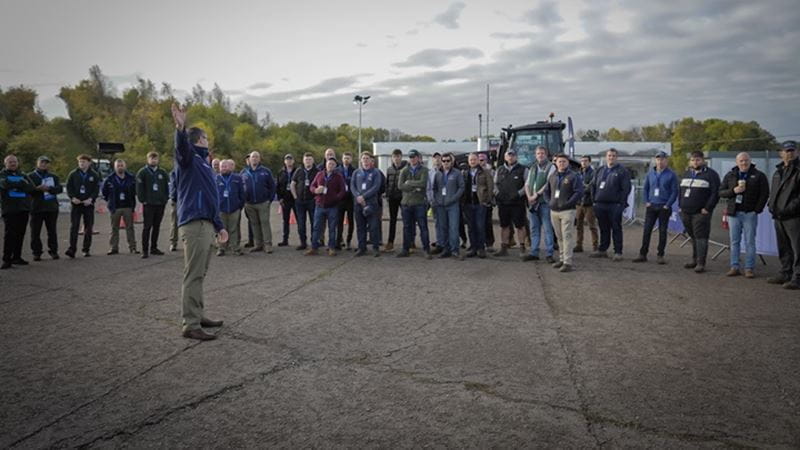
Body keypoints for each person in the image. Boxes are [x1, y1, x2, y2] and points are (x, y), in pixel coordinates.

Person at [171, 103, 228, 341]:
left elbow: (211, 198)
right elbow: (181, 149)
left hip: (207, 223)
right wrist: (180, 128)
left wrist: (219, 225)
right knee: (193, 274)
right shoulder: (189, 159)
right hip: (194, 223)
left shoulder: (204, 163)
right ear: (197, 140)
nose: (208, 140)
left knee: (200, 273)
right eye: (205, 137)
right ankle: (191, 324)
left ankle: (198, 314)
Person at [718, 152, 769, 278]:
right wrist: (733, 191)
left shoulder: (759, 175)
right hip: (733, 213)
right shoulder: (730, 175)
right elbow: (721, 192)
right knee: (734, 241)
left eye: (746, 160)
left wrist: (757, 210)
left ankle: (749, 268)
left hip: (749, 213)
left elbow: (764, 194)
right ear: (737, 162)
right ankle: (734, 267)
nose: (744, 163)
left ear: (750, 161)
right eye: (741, 161)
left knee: (750, 242)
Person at [678, 151, 721, 273]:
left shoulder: (711, 175)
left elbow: (715, 193)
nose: (695, 162)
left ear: (703, 160)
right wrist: (680, 205)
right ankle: (694, 260)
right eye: (692, 160)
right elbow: (680, 191)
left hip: (701, 212)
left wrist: (707, 208)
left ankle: (701, 263)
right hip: (685, 211)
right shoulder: (686, 173)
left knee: (701, 237)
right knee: (693, 236)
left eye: (697, 160)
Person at [633, 151, 679, 264]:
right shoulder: (650, 174)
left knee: (662, 231)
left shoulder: (671, 175)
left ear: (666, 160)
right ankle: (643, 254)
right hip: (652, 205)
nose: (660, 161)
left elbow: (674, 191)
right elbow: (645, 189)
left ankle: (660, 255)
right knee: (647, 230)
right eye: (658, 159)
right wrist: (646, 201)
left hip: (664, 206)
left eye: (662, 159)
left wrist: (667, 205)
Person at [767, 140, 800, 290]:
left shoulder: (798, 170)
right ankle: (785, 273)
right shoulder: (778, 171)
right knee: (784, 247)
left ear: (797, 152)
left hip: (794, 216)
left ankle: (797, 278)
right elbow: (775, 192)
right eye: (787, 151)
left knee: (797, 248)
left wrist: (788, 209)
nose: (790, 153)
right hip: (779, 216)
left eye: (792, 150)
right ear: (781, 153)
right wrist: (771, 205)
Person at [542, 153, 583, 272]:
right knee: (559, 236)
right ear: (556, 163)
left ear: (568, 163)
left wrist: (569, 203)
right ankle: (561, 259)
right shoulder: (552, 176)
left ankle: (567, 262)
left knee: (567, 236)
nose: (561, 163)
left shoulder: (573, 176)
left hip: (567, 211)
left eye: (564, 161)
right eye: (559, 161)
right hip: (554, 211)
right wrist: (549, 202)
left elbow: (579, 192)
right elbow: (546, 191)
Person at [590, 148, 632, 261]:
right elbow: (593, 186)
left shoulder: (622, 171)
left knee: (616, 228)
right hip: (600, 204)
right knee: (603, 228)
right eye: (609, 155)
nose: (611, 157)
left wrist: (621, 204)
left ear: (616, 157)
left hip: (615, 205)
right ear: (606, 157)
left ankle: (618, 252)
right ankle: (602, 250)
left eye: (613, 156)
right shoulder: (600, 170)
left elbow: (626, 189)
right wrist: (594, 201)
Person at [396, 149, 432, 258]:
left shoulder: (424, 170)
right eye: (410, 157)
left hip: (419, 203)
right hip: (406, 204)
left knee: (423, 227)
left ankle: (426, 249)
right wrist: (414, 188)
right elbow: (400, 186)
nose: (412, 159)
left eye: (414, 157)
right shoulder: (404, 170)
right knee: (407, 228)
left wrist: (409, 182)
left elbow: (423, 183)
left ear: (418, 158)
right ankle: (405, 249)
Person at [0, 154, 34, 269]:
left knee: (20, 234)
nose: (13, 164)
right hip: (9, 209)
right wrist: (22, 184)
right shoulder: (2, 175)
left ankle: (17, 257)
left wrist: (15, 185)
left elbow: (31, 188)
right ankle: (6, 259)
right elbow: (4, 184)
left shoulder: (23, 174)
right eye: (10, 162)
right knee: (9, 235)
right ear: (5, 163)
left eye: (15, 161)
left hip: (23, 209)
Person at [308, 158, 346, 256]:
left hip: (332, 206)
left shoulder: (338, 176)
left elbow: (342, 190)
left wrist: (336, 198)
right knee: (316, 227)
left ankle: (331, 247)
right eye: (329, 164)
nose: (330, 166)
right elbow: (312, 186)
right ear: (326, 164)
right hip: (319, 205)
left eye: (333, 164)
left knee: (332, 228)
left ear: (335, 166)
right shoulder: (319, 174)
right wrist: (315, 190)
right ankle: (314, 247)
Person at [523, 146, 556, 262]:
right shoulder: (532, 167)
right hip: (532, 203)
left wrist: (536, 195)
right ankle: (534, 252)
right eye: (538, 153)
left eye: (542, 153)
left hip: (544, 202)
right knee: (534, 229)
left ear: (546, 154)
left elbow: (548, 184)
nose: (540, 155)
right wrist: (529, 196)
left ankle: (549, 253)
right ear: (535, 155)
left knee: (547, 229)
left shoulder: (551, 167)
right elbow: (527, 184)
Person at [430, 153, 465, 259]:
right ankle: (446, 249)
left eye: (448, 161)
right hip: (441, 205)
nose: (445, 163)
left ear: (451, 162)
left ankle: (455, 250)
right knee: (443, 228)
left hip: (453, 205)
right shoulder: (438, 174)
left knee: (453, 228)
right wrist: (437, 199)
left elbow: (461, 187)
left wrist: (453, 198)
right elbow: (434, 188)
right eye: (444, 161)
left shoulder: (457, 173)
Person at [28, 155, 63, 261]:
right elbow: (27, 190)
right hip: (36, 207)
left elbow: (59, 189)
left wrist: (50, 189)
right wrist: (37, 189)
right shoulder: (30, 176)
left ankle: (53, 251)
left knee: (52, 231)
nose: (44, 164)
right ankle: (36, 252)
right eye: (42, 162)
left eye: (46, 162)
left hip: (51, 208)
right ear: (37, 163)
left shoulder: (53, 176)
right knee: (35, 232)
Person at [65, 154, 101, 258]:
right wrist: (72, 197)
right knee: (74, 226)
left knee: (88, 228)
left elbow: (96, 189)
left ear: (89, 163)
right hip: (76, 204)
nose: (81, 163)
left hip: (88, 205)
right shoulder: (73, 174)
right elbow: (69, 187)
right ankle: (72, 249)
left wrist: (91, 199)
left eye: (84, 162)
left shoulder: (94, 175)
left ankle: (86, 249)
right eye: (80, 162)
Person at [493, 149, 527, 257]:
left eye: (513, 155)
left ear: (516, 157)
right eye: (509, 155)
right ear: (505, 157)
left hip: (517, 203)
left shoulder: (523, 169)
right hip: (503, 203)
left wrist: (518, 194)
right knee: (504, 226)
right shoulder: (500, 169)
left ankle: (522, 248)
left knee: (520, 226)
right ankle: (504, 248)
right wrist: (497, 193)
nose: (510, 157)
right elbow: (494, 184)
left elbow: (527, 185)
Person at [136, 152, 169, 259]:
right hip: (149, 204)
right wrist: (143, 200)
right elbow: (139, 188)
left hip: (160, 204)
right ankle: (145, 250)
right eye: (151, 159)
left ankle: (154, 248)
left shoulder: (162, 172)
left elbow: (167, 187)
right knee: (147, 227)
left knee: (157, 226)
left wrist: (165, 199)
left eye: (155, 159)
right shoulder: (142, 172)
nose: (153, 161)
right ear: (148, 159)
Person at [101, 159, 138, 255]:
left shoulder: (131, 178)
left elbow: (135, 190)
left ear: (125, 166)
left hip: (128, 206)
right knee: (114, 228)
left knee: (130, 228)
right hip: (115, 207)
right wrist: (109, 201)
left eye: (122, 165)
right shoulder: (109, 179)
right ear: (115, 167)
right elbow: (104, 192)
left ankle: (133, 247)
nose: (120, 167)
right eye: (118, 166)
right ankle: (113, 248)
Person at [242, 151, 276, 254]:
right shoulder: (244, 172)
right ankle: (258, 244)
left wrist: (269, 200)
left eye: (256, 157)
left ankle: (268, 245)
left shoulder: (266, 171)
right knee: (254, 224)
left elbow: (272, 186)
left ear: (259, 159)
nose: (254, 159)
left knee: (265, 223)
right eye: (253, 157)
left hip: (263, 202)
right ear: (249, 159)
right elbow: (240, 187)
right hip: (249, 203)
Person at [461, 152, 492, 258]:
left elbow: (490, 186)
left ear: (478, 160)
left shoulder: (485, 172)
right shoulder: (465, 173)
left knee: (480, 226)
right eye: (471, 160)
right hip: (468, 203)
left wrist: (487, 200)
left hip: (480, 203)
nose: (473, 161)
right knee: (471, 227)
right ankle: (473, 247)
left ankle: (481, 248)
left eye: (474, 159)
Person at [351, 152, 382, 257]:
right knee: (360, 227)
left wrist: (364, 197)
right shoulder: (356, 172)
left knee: (373, 227)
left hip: (371, 203)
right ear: (360, 160)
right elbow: (352, 186)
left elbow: (376, 187)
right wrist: (358, 196)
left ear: (370, 160)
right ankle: (362, 248)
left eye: (367, 158)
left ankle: (375, 248)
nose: (365, 160)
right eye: (363, 158)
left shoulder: (375, 172)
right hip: (358, 204)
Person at [216, 159, 245, 256]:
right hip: (221, 209)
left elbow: (242, 193)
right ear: (219, 168)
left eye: (225, 166)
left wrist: (239, 205)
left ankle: (235, 248)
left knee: (234, 229)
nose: (224, 168)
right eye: (222, 166)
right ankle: (221, 248)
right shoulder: (216, 179)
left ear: (229, 167)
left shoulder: (237, 178)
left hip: (234, 209)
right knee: (221, 229)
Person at [291, 153, 319, 250]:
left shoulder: (317, 172)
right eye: (306, 159)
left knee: (314, 223)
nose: (308, 161)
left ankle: (314, 242)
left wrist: (316, 197)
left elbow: (320, 184)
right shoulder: (299, 171)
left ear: (313, 161)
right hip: (300, 202)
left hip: (312, 201)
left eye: (310, 159)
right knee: (301, 223)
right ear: (303, 161)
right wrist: (295, 197)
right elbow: (292, 184)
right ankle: (303, 242)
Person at [383, 149, 407, 252]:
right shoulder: (389, 169)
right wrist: (387, 194)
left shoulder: (406, 169)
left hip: (403, 198)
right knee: (392, 220)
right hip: (392, 198)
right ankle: (390, 242)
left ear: (401, 157)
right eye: (394, 157)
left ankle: (409, 242)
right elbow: (387, 183)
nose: (396, 159)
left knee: (407, 221)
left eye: (398, 156)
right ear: (392, 158)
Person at [575, 155, 598, 253]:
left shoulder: (593, 173)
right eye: (582, 161)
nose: (583, 163)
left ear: (589, 162)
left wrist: (581, 189)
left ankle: (595, 246)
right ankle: (579, 245)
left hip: (589, 203)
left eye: (585, 161)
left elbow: (591, 187)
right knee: (578, 226)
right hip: (579, 203)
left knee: (592, 226)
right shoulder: (578, 173)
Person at [337, 152, 356, 250]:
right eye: (345, 158)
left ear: (351, 159)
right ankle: (339, 240)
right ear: (342, 159)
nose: (346, 160)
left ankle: (349, 240)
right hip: (340, 200)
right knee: (339, 221)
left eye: (348, 158)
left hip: (350, 200)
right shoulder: (337, 170)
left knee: (351, 221)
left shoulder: (355, 171)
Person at [276, 154, 296, 247]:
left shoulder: (297, 171)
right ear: (284, 161)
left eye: (290, 159)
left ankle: (302, 241)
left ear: (293, 161)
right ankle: (285, 239)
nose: (289, 161)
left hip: (295, 199)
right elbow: (278, 186)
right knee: (285, 220)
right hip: (285, 199)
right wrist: (280, 198)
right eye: (287, 159)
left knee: (300, 220)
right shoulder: (281, 172)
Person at [478, 153, 496, 251]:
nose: (481, 162)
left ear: (486, 160)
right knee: (479, 224)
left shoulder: (491, 171)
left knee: (487, 223)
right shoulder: (475, 171)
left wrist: (490, 199)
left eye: (482, 160)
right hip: (477, 201)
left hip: (487, 201)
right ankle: (480, 243)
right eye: (479, 160)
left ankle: (489, 243)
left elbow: (493, 186)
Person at [168, 168, 179, 252]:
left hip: (188, 201)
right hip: (177, 200)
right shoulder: (174, 173)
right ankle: (173, 242)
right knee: (174, 222)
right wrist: (173, 197)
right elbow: (173, 187)